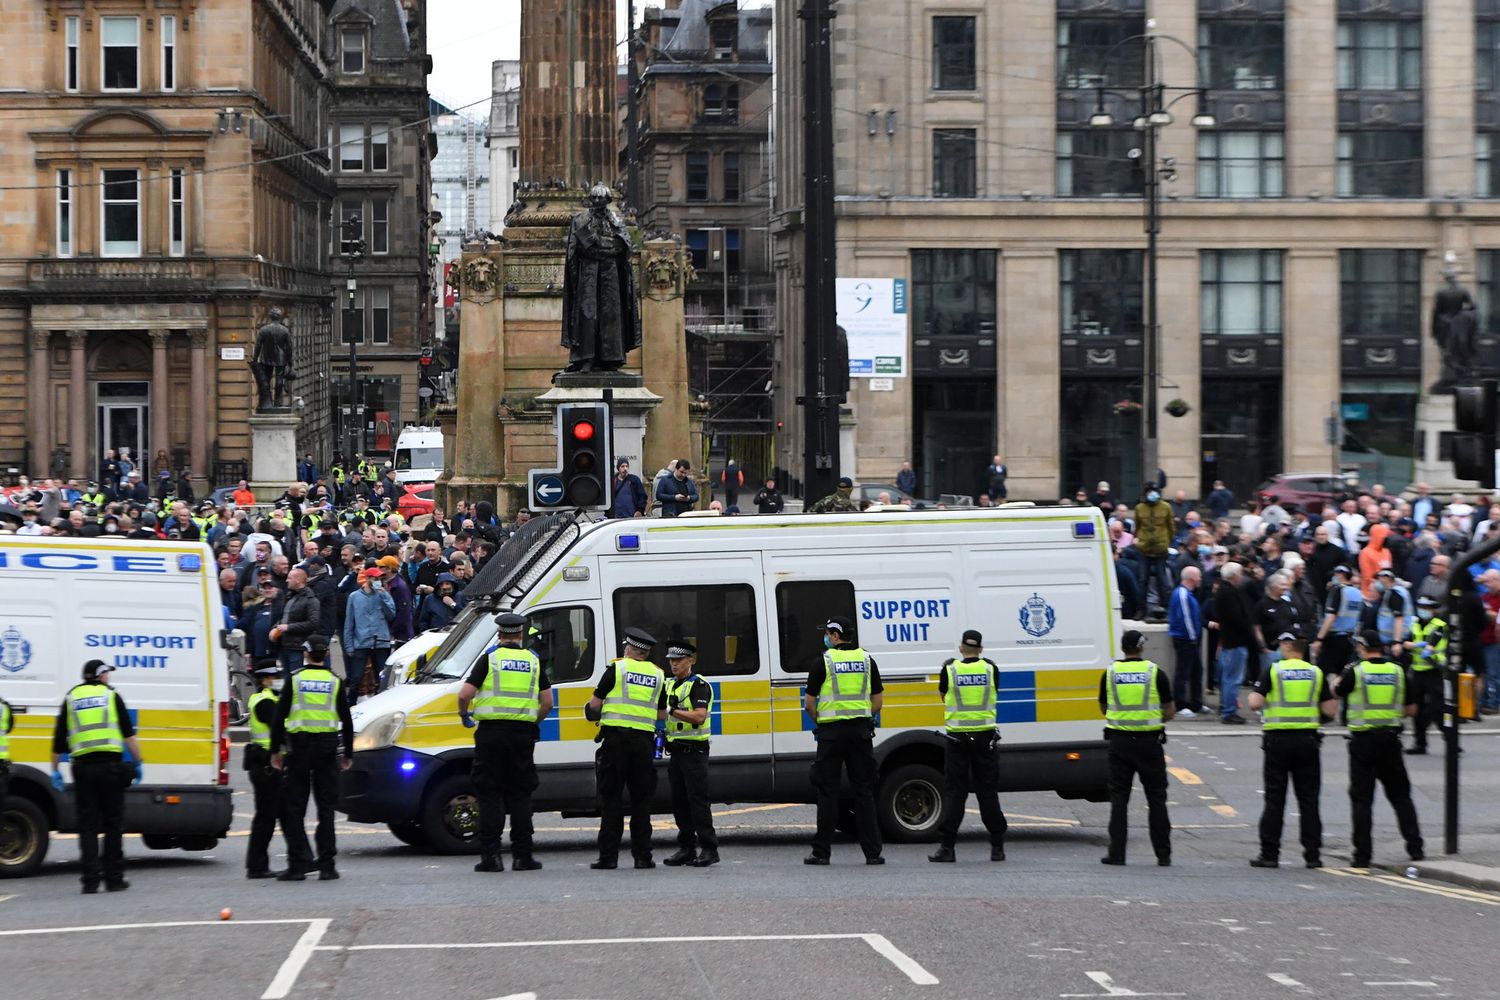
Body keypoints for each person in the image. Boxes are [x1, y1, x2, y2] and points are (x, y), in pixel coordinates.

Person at [457, 612, 552, 873]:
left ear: (500, 634)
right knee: (521, 794)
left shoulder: (490, 659)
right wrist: (532, 722)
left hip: (491, 734)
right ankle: (523, 856)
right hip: (522, 734)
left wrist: (464, 714)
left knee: (490, 794)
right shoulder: (533, 661)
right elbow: (547, 702)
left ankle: (491, 857)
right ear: (520, 634)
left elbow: (465, 694)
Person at [51, 661, 143, 893]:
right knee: (113, 824)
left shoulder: (71, 698)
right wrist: (139, 761)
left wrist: (54, 770)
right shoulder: (111, 696)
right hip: (111, 769)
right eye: (107, 674)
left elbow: (58, 740)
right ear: (100, 675)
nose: (108, 678)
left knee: (88, 826)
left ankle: (90, 881)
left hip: (83, 769)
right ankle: (114, 879)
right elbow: (128, 735)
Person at [1336, 631, 1424, 869]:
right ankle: (1415, 848)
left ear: (1363, 647)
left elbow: (1337, 692)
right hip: (1391, 740)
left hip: (1363, 742)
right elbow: (1412, 710)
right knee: (1401, 796)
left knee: (1362, 800)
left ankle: (1362, 855)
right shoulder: (1397, 671)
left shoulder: (1356, 671)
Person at [1247, 634, 1336, 869]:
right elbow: (1331, 709)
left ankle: (1270, 853)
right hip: (1307, 740)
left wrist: (1258, 698)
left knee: (1275, 798)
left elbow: (1255, 703)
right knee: (1308, 799)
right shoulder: (1316, 673)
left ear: (1287, 646)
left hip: (1278, 740)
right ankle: (1312, 855)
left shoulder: (1274, 671)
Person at [270, 635, 354, 881]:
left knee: (294, 808)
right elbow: (346, 721)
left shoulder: (295, 680)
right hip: (327, 751)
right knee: (326, 809)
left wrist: (275, 750)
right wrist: (348, 752)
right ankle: (327, 865)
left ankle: (298, 864)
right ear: (326, 654)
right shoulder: (334, 681)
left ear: (306, 653)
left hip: (299, 749)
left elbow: (279, 718)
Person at [804, 617, 884, 865]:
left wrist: (823, 722)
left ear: (836, 636)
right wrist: (861, 720)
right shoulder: (867, 660)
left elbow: (809, 704)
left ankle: (822, 853)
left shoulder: (823, 662)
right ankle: (872, 854)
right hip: (860, 734)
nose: (825, 637)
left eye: (828, 632)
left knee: (828, 792)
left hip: (831, 735)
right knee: (864, 792)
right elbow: (878, 702)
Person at [585, 628, 667, 869]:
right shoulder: (658, 674)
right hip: (643, 743)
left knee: (611, 798)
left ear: (629, 649)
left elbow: (594, 705)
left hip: (616, 743)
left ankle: (609, 857)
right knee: (641, 800)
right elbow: (661, 714)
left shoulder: (617, 669)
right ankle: (643, 857)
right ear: (646, 652)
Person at [928, 630, 1007, 863]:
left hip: (958, 740)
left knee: (955, 793)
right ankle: (997, 847)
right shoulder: (991, 669)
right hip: (985, 739)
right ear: (981, 649)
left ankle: (947, 847)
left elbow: (944, 697)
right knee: (988, 793)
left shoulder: (950, 670)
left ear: (961, 647)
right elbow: (994, 693)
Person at [1098, 629, 1175, 866]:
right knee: (1156, 798)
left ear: (1123, 648)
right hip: (1149, 743)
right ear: (1141, 647)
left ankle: (1117, 853)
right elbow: (1169, 710)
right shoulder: (1155, 673)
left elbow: (1103, 707)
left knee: (1119, 798)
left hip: (1119, 742)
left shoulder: (1109, 674)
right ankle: (1163, 854)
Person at [661, 641, 720, 868]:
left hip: (694, 752)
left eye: (679, 660)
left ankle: (709, 848)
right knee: (679, 802)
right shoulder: (670, 685)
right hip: (676, 752)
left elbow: (698, 717)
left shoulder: (699, 685)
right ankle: (686, 848)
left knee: (698, 802)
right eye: (671, 660)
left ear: (690, 661)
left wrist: (672, 711)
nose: (674, 664)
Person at [244, 658, 287, 879]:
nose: (277, 680)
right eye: (273, 676)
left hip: (263, 765)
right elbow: (280, 730)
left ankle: (258, 864)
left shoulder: (264, 698)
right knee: (266, 818)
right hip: (267, 767)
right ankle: (257, 866)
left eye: (278, 676)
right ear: (263, 679)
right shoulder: (266, 703)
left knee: (268, 816)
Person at [343, 567, 396, 702]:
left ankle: (381, 704)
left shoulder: (384, 594)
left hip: (381, 642)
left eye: (380, 579)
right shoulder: (354, 597)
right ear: (368, 579)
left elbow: (391, 615)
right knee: (356, 678)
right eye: (375, 579)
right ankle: (350, 705)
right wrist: (348, 645)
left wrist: (383, 596)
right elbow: (349, 622)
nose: (379, 581)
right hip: (361, 642)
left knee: (382, 678)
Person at [1403, 596, 1446, 755]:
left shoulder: (1439, 625)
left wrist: (1416, 646)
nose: (1422, 610)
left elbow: (1431, 645)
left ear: (1433, 609)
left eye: (1426, 607)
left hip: (1434, 671)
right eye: (1420, 606)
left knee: (1438, 708)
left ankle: (1451, 740)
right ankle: (1420, 743)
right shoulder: (1415, 624)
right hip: (1417, 671)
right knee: (1417, 709)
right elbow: (1406, 642)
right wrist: (1411, 645)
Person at [1167, 566, 1204, 716]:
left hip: (1189, 638)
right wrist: (1192, 636)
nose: (1200, 579)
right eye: (1199, 577)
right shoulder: (1182, 594)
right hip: (1185, 639)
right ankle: (1180, 704)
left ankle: (1196, 703)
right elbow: (1186, 617)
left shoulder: (1186, 594)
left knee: (1196, 671)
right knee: (1183, 672)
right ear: (1192, 578)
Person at [1134, 485, 1175, 613]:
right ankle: (1141, 609)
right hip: (1144, 548)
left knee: (1162, 579)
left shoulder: (1166, 507)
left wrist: (1166, 541)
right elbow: (1137, 526)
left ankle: (1164, 607)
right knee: (1143, 580)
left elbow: (1171, 526)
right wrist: (1141, 541)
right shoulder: (1139, 508)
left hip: (1161, 548)